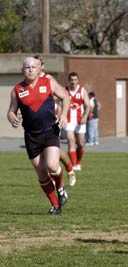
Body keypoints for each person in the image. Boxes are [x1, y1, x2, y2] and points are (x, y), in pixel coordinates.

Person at [7, 57, 70, 215]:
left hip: (50, 131)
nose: (30, 69)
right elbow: (11, 111)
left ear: (39, 69)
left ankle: (61, 189)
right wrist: (12, 117)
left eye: (33, 67)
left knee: (52, 165)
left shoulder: (48, 82)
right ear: (22, 70)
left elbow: (65, 97)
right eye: (26, 67)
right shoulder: (17, 90)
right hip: (31, 136)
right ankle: (55, 205)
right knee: (41, 173)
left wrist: (63, 115)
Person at [35, 55, 76, 186]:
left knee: (53, 151)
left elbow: (64, 95)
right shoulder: (29, 81)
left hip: (51, 120)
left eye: (38, 64)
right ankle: (57, 175)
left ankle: (69, 170)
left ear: (42, 66)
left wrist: (62, 113)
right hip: (37, 123)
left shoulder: (48, 79)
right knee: (45, 153)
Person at [64, 72, 90, 171]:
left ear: (78, 81)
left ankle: (78, 162)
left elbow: (88, 105)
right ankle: (74, 165)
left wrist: (85, 117)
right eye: (71, 80)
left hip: (80, 121)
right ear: (69, 81)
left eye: (75, 80)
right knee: (71, 140)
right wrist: (62, 115)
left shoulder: (82, 91)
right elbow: (58, 102)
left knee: (81, 144)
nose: (73, 82)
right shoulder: (65, 91)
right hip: (69, 120)